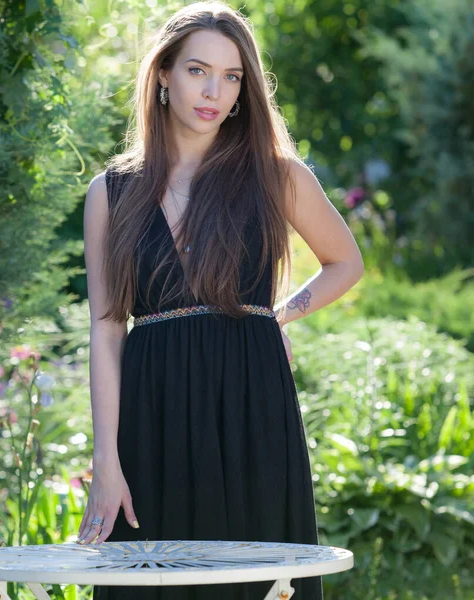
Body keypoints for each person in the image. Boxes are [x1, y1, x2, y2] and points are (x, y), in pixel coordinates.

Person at [80, 2, 364, 598]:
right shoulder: (111, 193)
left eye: (232, 77)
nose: (215, 92)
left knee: (255, 577)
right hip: (152, 414)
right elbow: (107, 329)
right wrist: (106, 460)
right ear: (162, 75)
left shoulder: (276, 175)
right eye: (197, 71)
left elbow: (346, 262)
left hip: (252, 408)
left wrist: (277, 315)